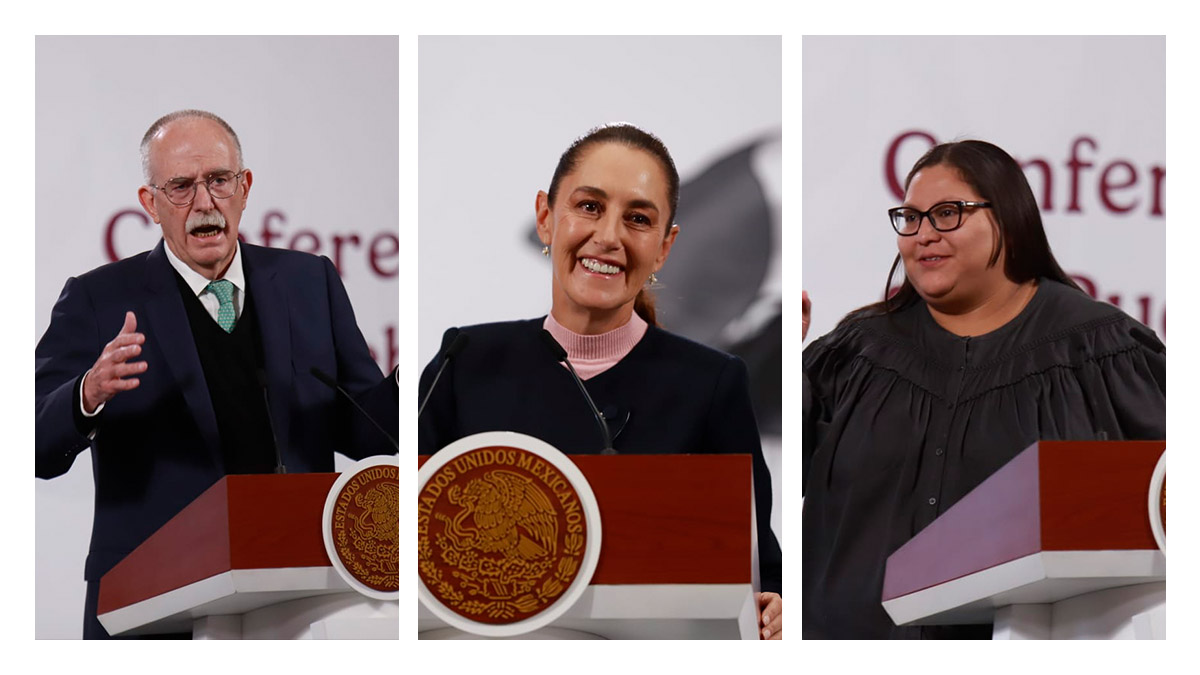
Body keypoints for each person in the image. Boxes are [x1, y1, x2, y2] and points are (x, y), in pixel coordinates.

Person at [35, 110, 399, 639]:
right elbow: (32, 444)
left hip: (293, 593)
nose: (204, 202)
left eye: (219, 181)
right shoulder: (99, 298)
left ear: (244, 187)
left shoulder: (307, 281)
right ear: (150, 204)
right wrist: (86, 394)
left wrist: (410, 377)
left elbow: (370, 429)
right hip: (151, 606)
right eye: (180, 186)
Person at [418, 124, 783, 639]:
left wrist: (777, 607)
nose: (608, 236)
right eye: (589, 207)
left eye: (637, 218)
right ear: (546, 218)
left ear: (664, 247)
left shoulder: (712, 383)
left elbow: (760, 566)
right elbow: (401, 531)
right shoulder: (466, 362)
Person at [801, 140, 1166, 639]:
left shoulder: (1101, 351)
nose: (924, 234)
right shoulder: (856, 352)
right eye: (911, 218)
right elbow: (767, 478)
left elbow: (1162, 504)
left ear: (1010, 218)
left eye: (947, 213)